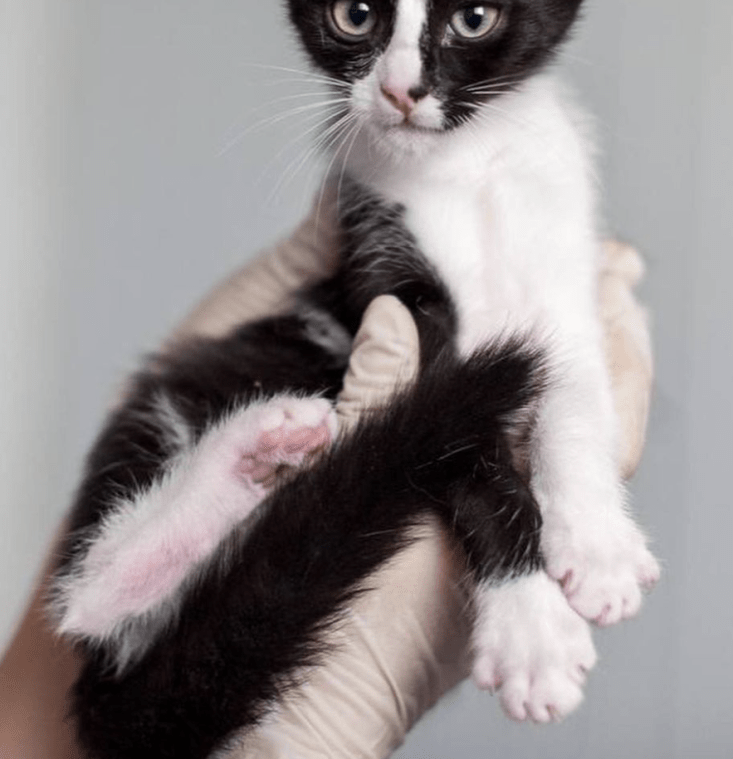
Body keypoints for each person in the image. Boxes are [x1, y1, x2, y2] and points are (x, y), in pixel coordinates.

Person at [0, 198, 653, 758]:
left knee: (138, 704)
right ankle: (138, 567)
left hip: (146, 671)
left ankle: (138, 567)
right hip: (157, 639)